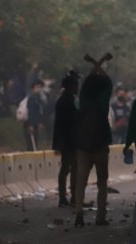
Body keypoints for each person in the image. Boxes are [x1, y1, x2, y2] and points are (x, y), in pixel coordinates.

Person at [74, 54, 113, 227]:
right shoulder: (103, 102)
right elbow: (108, 82)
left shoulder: (83, 100)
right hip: (101, 145)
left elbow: (87, 82)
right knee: (102, 182)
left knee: (80, 181)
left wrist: (93, 64)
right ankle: (100, 217)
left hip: (83, 146)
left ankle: (79, 214)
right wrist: (100, 63)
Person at [52, 70, 80, 207]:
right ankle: (70, 196)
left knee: (68, 168)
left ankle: (66, 196)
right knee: (70, 168)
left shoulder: (65, 101)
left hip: (67, 140)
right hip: (69, 141)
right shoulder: (67, 102)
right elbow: (66, 124)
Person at [24, 80, 47, 151]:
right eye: (37, 87)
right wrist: (30, 125)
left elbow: (40, 112)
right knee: (30, 143)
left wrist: (40, 122)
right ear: (33, 89)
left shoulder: (40, 98)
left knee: (35, 142)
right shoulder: (31, 98)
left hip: (36, 123)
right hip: (30, 123)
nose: (39, 89)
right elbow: (30, 112)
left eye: (40, 87)